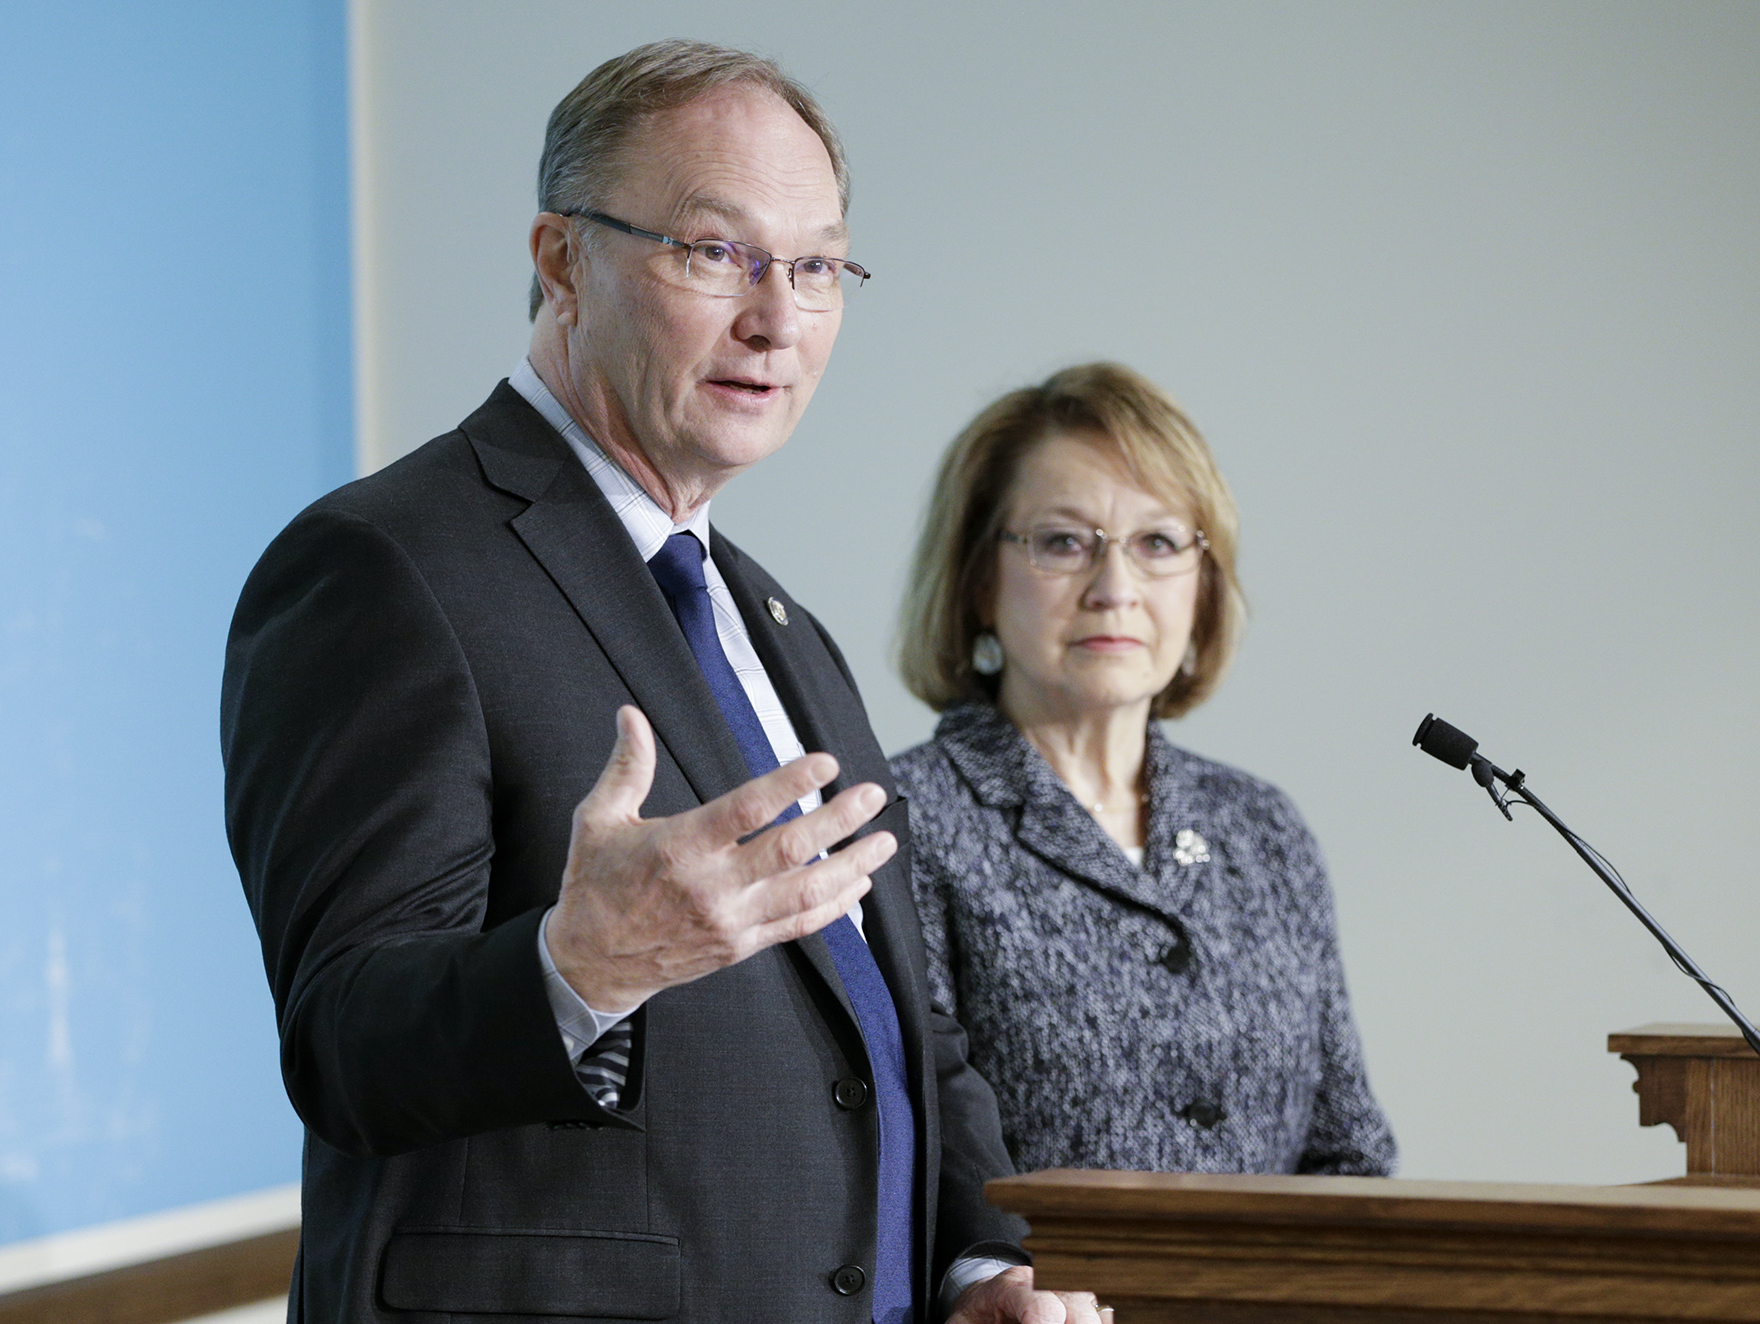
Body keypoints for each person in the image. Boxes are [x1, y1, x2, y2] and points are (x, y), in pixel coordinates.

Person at [222, 41, 1104, 1324]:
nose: (777, 319)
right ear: (561, 260)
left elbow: (903, 1022)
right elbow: (346, 1041)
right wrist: (579, 964)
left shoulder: (777, 624)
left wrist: (977, 1260)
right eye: (716, 252)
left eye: (814, 267)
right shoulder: (382, 566)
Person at [891, 362, 1396, 1179]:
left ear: (1203, 584)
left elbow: (1349, 1153)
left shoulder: (1262, 828)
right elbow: (908, 1171)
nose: (1115, 588)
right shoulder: (902, 822)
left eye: (1158, 543)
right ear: (980, 579)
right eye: (1063, 543)